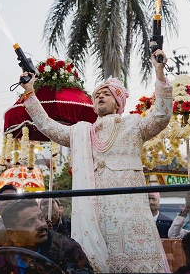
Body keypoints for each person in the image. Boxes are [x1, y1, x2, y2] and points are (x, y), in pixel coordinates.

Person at [19, 48, 172, 273]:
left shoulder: (134, 124)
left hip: (132, 216)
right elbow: (51, 128)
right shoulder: (84, 133)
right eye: (97, 94)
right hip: (97, 216)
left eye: (106, 93)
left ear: (118, 101)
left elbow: (161, 115)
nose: (100, 96)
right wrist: (30, 93)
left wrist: (159, 74)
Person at [0, 199, 94, 274]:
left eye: (41, 218)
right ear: (12, 234)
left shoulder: (67, 248)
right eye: (29, 223)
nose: (41, 225)